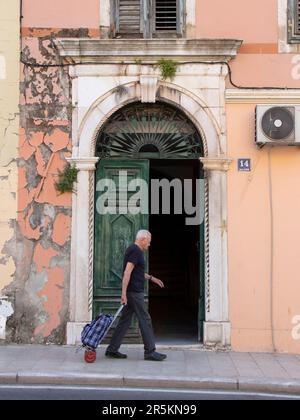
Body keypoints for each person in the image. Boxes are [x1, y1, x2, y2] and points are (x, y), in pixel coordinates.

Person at [105, 230, 167, 362]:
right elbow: (127, 272)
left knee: (125, 321)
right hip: (134, 293)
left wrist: (151, 278)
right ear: (143, 239)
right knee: (145, 319)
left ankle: (112, 349)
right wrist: (123, 293)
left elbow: (136, 272)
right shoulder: (136, 251)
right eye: (149, 242)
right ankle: (150, 351)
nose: (149, 245)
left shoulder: (133, 250)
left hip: (132, 292)